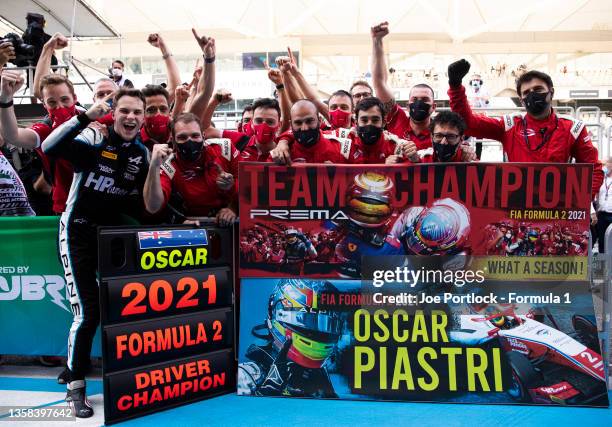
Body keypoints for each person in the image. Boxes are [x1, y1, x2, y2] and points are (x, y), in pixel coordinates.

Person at [42, 89, 150, 418]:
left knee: (124, 309)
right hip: (76, 231)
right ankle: (75, 385)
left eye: (137, 113)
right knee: (87, 314)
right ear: (114, 114)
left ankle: (120, 377)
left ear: (143, 118)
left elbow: (144, 206)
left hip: (112, 238)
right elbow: (50, 147)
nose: (131, 117)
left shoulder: (142, 154)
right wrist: (85, 116)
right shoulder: (94, 136)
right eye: (125, 111)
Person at [447, 59, 603, 197]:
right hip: (517, 210)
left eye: (538, 89)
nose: (532, 95)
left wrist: (581, 202)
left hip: (557, 212)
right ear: (521, 100)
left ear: (551, 93)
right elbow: (468, 123)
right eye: (526, 92)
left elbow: (594, 169)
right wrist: (455, 86)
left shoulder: (573, 128)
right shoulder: (509, 124)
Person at [143, 112, 238, 226]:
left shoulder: (225, 148)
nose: (189, 141)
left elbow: (249, 185)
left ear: (203, 136)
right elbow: (153, 207)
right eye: (182, 137)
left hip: (231, 225)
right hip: (196, 226)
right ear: (173, 140)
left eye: (195, 136)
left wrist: (233, 207)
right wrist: (154, 165)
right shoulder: (168, 167)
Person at [370, 22, 435, 150]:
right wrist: (377, 41)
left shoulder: (441, 131)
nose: (419, 103)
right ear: (407, 105)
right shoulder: (397, 118)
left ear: (433, 107)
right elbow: (379, 82)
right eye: (414, 99)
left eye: (425, 99)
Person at [270, 99, 361, 165]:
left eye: (309, 121)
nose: (304, 128)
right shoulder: (280, 153)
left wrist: (339, 175)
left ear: (320, 120)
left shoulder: (343, 145)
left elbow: (360, 180)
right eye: (298, 123)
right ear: (291, 124)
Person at [206, 97, 280, 162]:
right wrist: (214, 101)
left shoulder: (284, 150)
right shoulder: (239, 140)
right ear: (251, 124)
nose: (263, 126)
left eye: (270, 122)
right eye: (258, 121)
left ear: (279, 125)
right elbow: (207, 130)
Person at [596, 157, 612, 253]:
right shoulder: (601, 179)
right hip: (602, 214)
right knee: (601, 241)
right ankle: (602, 265)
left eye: (606, 164)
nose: (604, 166)